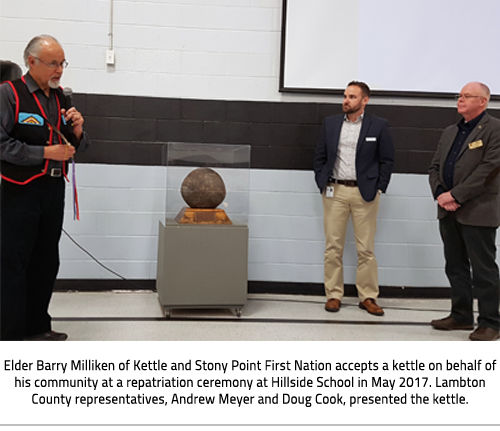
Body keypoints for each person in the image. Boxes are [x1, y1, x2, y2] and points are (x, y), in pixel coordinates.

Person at [0, 35, 90, 341]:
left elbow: (72, 146)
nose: (59, 70)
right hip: (19, 191)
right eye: (53, 63)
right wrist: (43, 154)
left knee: (45, 261)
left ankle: (37, 327)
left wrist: (77, 132)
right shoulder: (8, 94)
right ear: (31, 62)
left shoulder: (60, 98)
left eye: (62, 63)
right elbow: (2, 145)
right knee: (13, 263)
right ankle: (10, 332)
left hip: (53, 191)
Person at [314, 81, 395, 316]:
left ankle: (368, 296)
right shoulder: (330, 124)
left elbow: (387, 160)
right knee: (333, 247)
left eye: (351, 96)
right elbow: (319, 156)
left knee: (366, 249)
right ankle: (333, 295)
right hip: (335, 192)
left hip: (365, 193)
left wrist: (379, 187)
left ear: (364, 100)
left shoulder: (378, 126)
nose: (346, 100)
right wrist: (322, 181)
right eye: (345, 96)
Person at [429, 82, 500, 342]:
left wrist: (456, 195)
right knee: (455, 265)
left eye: (466, 96)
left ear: (483, 101)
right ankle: (460, 315)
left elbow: (490, 169)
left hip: (478, 210)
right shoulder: (450, 131)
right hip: (448, 210)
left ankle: (491, 322)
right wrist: (440, 194)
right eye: (459, 96)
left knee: (483, 270)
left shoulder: (495, 129)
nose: (460, 99)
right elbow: (435, 166)